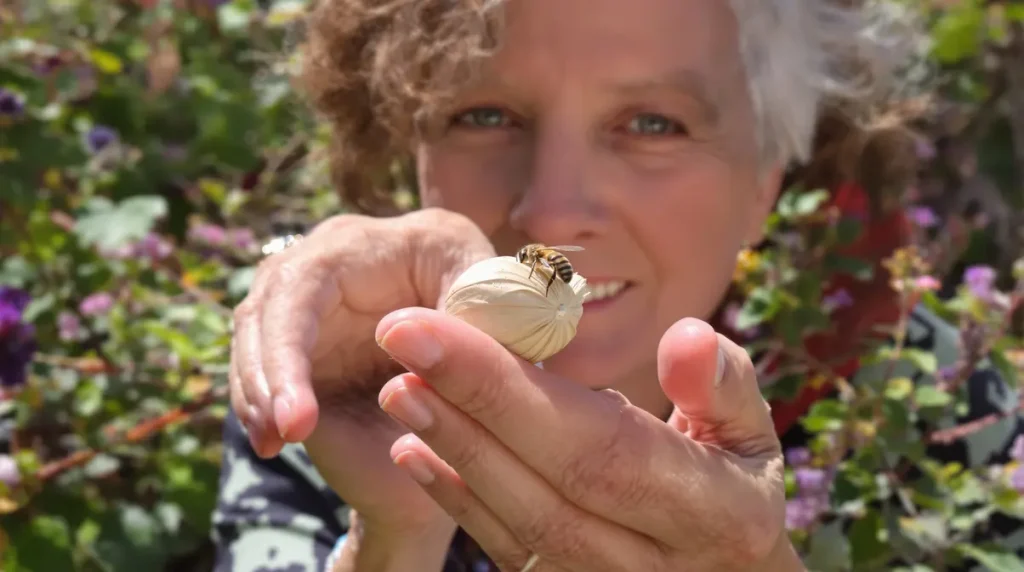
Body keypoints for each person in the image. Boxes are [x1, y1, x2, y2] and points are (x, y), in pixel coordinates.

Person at [210, 0, 1024, 570]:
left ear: (764, 184)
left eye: (653, 125)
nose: (554, 213)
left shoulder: (930, 400)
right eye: (484, 116)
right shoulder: (338, 370)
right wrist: (395, 543)